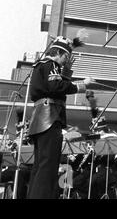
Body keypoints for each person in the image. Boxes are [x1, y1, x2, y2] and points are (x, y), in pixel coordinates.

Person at [26, 35, 93, 199]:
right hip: (49, 118)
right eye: (66, 57)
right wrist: (83, 85)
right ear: (60, 53)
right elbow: (56, 86)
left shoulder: (42, 66)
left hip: (40, 119)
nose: (65, 61)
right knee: (48, 166)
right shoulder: (51, 64)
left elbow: (54, 85)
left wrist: (67, 72)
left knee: (40, 165)